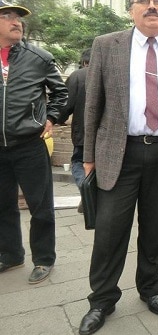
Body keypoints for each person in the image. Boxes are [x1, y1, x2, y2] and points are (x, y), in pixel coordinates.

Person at [78, 0, 158, 335]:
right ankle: (102, 299)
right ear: (131, 9)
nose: (152, 6)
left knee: (155, 227)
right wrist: (88, 156)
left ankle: (150, 288)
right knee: (110, 230)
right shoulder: (107, 45)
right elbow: (92, 104)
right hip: (120, 151)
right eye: (143, 0)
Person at [0, 0, 68, 284]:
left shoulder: (38, 57)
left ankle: (43, 258)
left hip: (29, 143)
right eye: (7, 16)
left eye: (18, 17)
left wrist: (51, 117)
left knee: (40, 206)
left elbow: (61, 92)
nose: (16, 22)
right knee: (3, 205)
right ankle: (10, 254)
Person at [58, 48, 91, 213]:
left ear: (84, 62)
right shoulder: (112, 73)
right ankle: (92, 195)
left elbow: (66, 104)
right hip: (107, 135)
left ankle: (87, 191)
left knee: (78, 162)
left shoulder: (77, 76)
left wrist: (58, 119)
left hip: (83, 132)